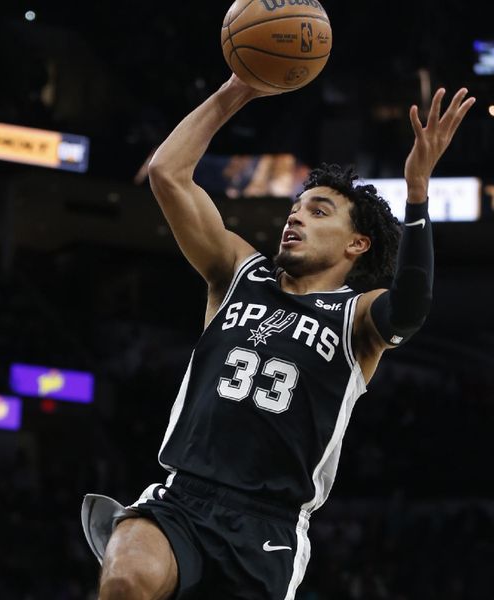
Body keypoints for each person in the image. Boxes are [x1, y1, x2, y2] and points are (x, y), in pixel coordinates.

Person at [82, 75, 475, 599]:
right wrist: (240, 87)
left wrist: (418, 192)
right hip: (182, 498)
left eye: (319, 211)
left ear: (357, 243)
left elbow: (410, 308)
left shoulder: (356, 318)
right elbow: (167, 174)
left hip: (267, 527)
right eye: (296, 206)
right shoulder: (238, 272)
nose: (296, 216)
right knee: (127, 581)